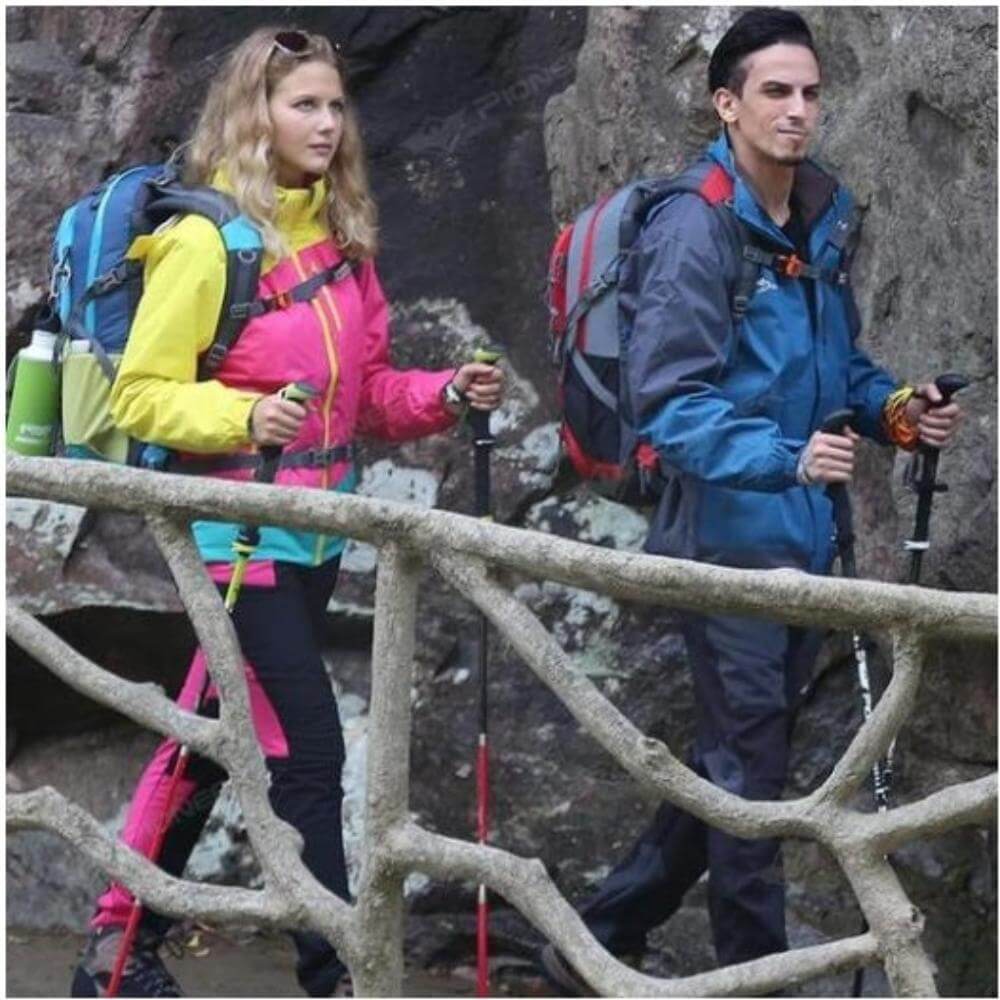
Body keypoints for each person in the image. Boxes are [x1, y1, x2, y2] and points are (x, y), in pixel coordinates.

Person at [70, 27, 505, 999]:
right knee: (304, 747)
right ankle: (336, 971)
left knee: (207, 730)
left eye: (334, 105)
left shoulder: (344, 246)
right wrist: (244, 412)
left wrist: (443, 395)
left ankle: (114, 945)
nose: (324, 122)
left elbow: (372, 395)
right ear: (252, 114)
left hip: (315, 531)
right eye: (302, 103)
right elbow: (140, 395)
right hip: (236, 533)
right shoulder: (202, 239)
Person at [541, 7, 961, 992]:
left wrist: (895, 412)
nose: (798, 109)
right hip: (725, 545)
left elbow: (835, 367)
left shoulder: (816, 215)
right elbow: (668, 404)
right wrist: (786, 456)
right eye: (775, 90)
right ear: (725, 103)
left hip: (801, 544)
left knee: (736, 756)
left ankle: (593, 937)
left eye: (811, 91)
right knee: (750, 780)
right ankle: (754, 978)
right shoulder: (696, 228)